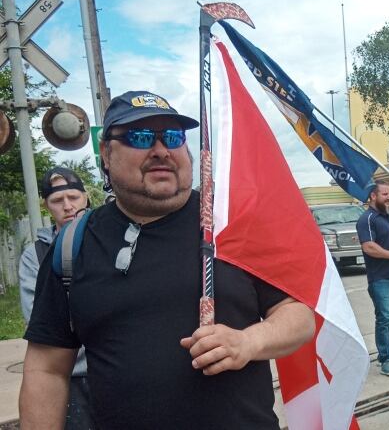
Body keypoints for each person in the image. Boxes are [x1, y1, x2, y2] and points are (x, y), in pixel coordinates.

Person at [19, 90, 315, 429]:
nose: (161, 150)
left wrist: (248, 341)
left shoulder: (230, 222)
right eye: (141, 137)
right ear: (106, 152)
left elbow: (298, 316)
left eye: (173, 137)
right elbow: (47, 369)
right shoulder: (73, 244)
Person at [18, 167, 94, 429]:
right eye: (57, 201)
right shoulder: (36, 255)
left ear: (85, 197)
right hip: (68, 377)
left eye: (73, 197)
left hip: (109, 373)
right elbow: (40, 324)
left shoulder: (103, 242)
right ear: (46, 206)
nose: (67, 206)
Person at [356, 180, 389, 376]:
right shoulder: (367, 219)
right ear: (373, 196)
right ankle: (384, 359)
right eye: (384, 194)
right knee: (384, 317)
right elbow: (368, 247)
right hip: (380, 279)